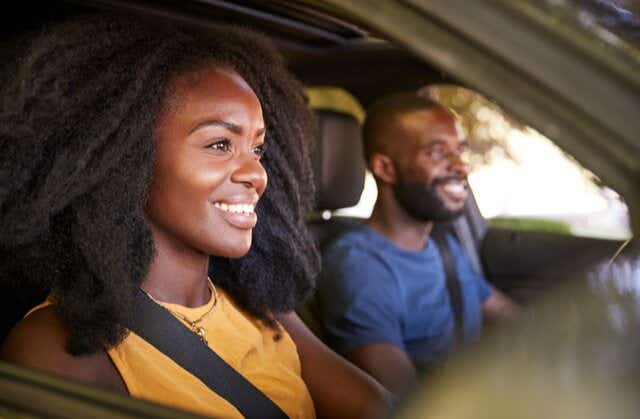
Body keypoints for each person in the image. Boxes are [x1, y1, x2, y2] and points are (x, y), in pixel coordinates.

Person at [0, 14, 390, 418]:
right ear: (128, 160)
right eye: (220, 144)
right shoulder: (58, 348)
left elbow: (378, 409)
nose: (257, 173)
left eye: (257, 148)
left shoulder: (261, 306)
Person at [317, 92, 519, 396]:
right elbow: (406, 401)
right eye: (437, 153)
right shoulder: (359, 269)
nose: (461, 167)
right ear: (386, 168)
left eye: (459, 151)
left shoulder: (441, 243)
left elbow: (503, 312)